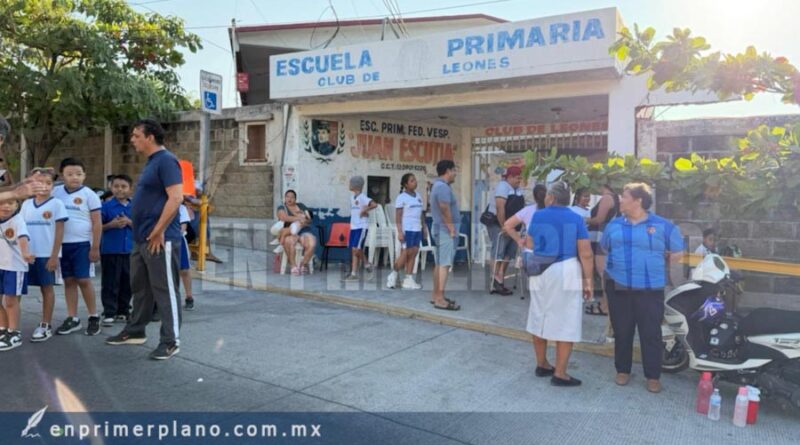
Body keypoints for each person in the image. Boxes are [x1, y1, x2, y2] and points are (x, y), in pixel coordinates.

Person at [106, 119, 184, 361]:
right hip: (141, 238)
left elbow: (176, 198)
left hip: (160, 238)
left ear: (150, 137)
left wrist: (159, 230)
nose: (132, 140)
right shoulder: (152, 162)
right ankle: (135, 330)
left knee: (165, 289)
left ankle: (170, 341)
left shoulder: (167, 161)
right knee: (140, 287)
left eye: (136, 135)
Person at [601, 182, 684, 394]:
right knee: (622, 330)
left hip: (650, 288)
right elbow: (605, 250)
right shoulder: (613, 225)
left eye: (624, 196)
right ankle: (623, 370)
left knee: (650, 333)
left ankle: (653, 376)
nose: (620, 200)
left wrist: (665, 259)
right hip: (618, 286)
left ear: (638, 201)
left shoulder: (663, 225)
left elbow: (678, 252)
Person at [525, 181, 594, 386]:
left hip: (540, 269)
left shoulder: (538, 215)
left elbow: (530, 243)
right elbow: (585, 253)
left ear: (552, 197)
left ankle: (542, 364)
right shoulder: (576, 218)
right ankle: (560, 373)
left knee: (539, 314)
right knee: (566, 320)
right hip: (565, 269)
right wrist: (588, 281)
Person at [52, 157, 102, 336]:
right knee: (69, 281)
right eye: (70, 174)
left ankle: (93, 316)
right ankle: (72, 318)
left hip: (82, 245)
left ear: (84, 175)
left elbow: (97, 222)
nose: (75, 177)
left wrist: (95, 247)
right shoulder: (55, 192)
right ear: (62, 175)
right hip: (62, 245)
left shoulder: (90, 195)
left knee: (84, 280)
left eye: (79, 174)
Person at [21, 167, 68, 342]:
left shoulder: (57, 204)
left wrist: (54, 256)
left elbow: (59, 232)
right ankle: (10, 326)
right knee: (15, 291)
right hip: (27, 255)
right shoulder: (26, 204)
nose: (44, 186)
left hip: (46, 255)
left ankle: (45, 325)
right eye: (40, 182)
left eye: (48, 183)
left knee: (46, 288)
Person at [0, 198, 34, 351]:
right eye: (2, 203)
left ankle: (14, 333)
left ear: (16, 205)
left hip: (14, 266)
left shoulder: (18, 220)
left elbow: (22, 237)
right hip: (1, 264)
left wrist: (25, 253)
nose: (6, 206)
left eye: (10, 203)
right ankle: (3, 328)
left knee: (10, 300)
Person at [100, 174, 134, 327]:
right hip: (110, 251)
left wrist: (129, 222)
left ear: (130, 189)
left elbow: (142, 228)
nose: (120, 189)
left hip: (130, 251)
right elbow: (97, 227)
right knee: (110, 282)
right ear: (111, 188)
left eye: (124, 186)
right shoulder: (105, 207)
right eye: (116, 186)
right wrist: (111, 225)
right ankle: (109, 312)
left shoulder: (135, 207)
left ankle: (123, 310)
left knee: (128, 282)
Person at [487, 166, 525, 296]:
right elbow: (500, 207)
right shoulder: (502, 187)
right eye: (517, 178)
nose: (519, 180)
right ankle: (494, 280)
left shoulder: (518, 189)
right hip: (499, 224)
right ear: (510, 177)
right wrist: (504, 226)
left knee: (509, 252)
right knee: (499, 251)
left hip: (513, 227)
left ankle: (500, 277)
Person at [430, 160, 461, 311]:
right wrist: (451, 228)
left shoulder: (439, 185)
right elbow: (444, 208)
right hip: (445, 230)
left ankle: (436, 295)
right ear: (448, 171)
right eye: (454, 170)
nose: (455, 173)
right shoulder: (442, 187)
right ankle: (440, 299)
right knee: (444, 264)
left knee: (439, 263)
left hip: (440, 229)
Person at [387, 173, 426, 290]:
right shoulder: (401, 197)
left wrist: (424, 227)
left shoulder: (418, 196)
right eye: (412, 181)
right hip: (407, 229)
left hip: (417, 229)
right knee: (406, 253)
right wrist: (400, 232)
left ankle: (408, 279)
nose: (415, 182)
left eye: (415, 180)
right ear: (405, 184)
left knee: (414, 252)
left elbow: (421, 214)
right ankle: (393, 275)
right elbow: (398, 216)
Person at [584, 184, 619, 316]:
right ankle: (605, 303)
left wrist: (583, 219)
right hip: (606, 235)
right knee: (605, 271)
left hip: (602, 235)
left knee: (603, 271)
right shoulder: (614, 197)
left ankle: (606, 306)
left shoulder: (607, 198)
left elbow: (599, 219)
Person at [276, 190, 318, 275]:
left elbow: (309, 219)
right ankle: (293, 266)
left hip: (304, 231)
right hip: (290, 232)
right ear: (285, 198)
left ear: (295, 199)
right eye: (287, 196)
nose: (290, 199)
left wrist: (304, 221)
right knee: (289, 241)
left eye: (292, 197)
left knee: (312, 243)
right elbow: (283, 217)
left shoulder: (301, 206)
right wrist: (299, 218)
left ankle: (303, 264)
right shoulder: (282, 207)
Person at [343, 176, 376, 282]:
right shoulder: (352, 198)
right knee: (354, 250)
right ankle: (353, 274)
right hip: (353, 227)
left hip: (361, 227)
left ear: (355, 185)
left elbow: (374, 204)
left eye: (350, 183)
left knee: (356, 249)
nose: (349, 185)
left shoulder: (362, 197)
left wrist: (365, 210)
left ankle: (367, 265)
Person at [503, 184, 547, 249]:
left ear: (534, 197)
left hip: (530, 250)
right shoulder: (554, 211)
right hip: (550, 252)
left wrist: (519, 240)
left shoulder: (527, 210)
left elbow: (507, 225)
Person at [178, 203, 194, 310]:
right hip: (162, 240)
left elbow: (183, 226)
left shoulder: (181, 208)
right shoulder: (158, 204)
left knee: (184, 270)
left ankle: (189, 297)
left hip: (178, 241)